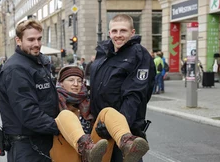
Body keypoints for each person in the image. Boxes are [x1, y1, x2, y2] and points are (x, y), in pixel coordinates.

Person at [89, 14, 156, 162]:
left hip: (125, 131)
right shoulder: (103, 53)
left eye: (123, 31)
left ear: (132, 32)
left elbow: (135, 96)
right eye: (114, 31)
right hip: (99, 128)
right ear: (109, 33)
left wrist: (115, 128)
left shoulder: (139, 54)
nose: (118, 35)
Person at [50, 65, 149, 162]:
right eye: (71, 80)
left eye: (79, 81)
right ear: (61, 83)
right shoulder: (53, 101)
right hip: (66, 154)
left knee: (108, 111)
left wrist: (104, 131)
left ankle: (128, 144)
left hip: (93, 156)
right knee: (65, 114)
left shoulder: (89, 101)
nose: (76, 84)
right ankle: (86, 147)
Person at [0, 19, 60, 162]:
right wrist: (60, 127)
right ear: (18, 41)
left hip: (42, 141)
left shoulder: (37, 62)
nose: (36, 44)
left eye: (39, 39)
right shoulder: (16, 69)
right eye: (31, 39)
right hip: (26, 146)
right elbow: (28, 112)